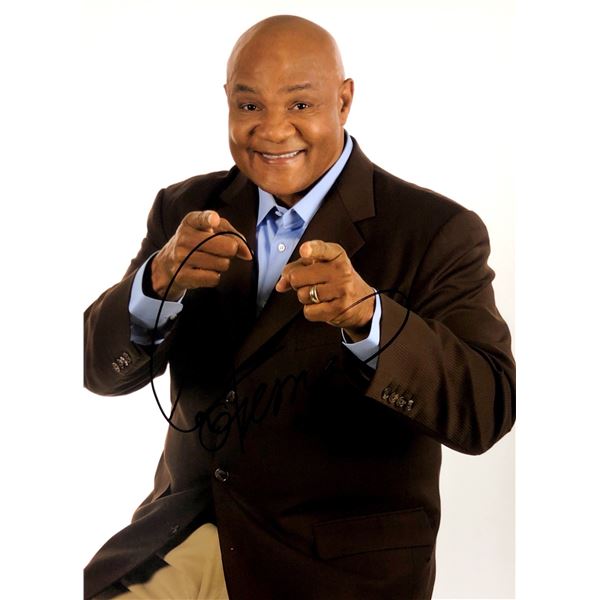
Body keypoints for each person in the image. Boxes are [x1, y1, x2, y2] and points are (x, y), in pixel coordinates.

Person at [83, 14, 515, 600]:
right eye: (249, 106)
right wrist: (156, 283)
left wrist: (370, 319)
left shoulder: (437, 231)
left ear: (344, 101)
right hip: (186, 535)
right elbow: (98, 371)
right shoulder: (185, 207)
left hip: (335, 569)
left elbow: (487, 409)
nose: (271, 130)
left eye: (301, 105)